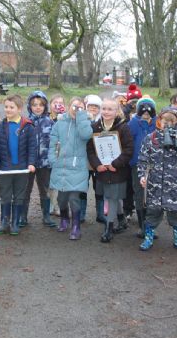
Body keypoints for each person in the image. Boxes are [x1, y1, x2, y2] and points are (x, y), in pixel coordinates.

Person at [137, 107, 177, 251]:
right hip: (155, 184)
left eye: (171, 121)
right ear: (159, 121)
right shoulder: (151, 138)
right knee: (152, 212)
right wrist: (142, 175)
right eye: (165, 121)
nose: (167, 124)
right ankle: (148, 238)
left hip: (176, 185)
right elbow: (142, 159)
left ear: (176, 123)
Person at [87, 98, 134, 243]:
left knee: (113, 196)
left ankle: (109, 227)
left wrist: (116, 164)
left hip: (117, 169)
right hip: (102, 169)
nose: (106, 112)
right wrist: (97, 165)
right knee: (110, 195)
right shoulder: (95, 127)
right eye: (104, 108)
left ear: (117, 111)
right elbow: (90, 149)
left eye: (110, 109)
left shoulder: (123, 128)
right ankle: (121, 219)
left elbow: (128, 149)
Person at [0, 94, 36, 236]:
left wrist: (31, 163)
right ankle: (4, 223)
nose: (8, 110)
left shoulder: (28, 126)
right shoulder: (1, 126)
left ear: (19, 109)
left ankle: (15, 223)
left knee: (19, 196)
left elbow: (32, 147)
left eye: (11, 107)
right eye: (6, 107)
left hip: (22, 169)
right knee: (5, 195)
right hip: (5, 168)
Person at [49, 96, 93, 240]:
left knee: (74, 198)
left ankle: (76, 226)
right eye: (74, 106)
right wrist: (53, 160)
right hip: (61, 166)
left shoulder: (86, 122)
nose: (76, 109)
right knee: (61, 198)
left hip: (77, 167)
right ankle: (64, 218)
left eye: (80, 107)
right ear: (68, 107)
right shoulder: (60, 123)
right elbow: (52, 143)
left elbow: (86, 135)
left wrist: (81, 117)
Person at [21, 91, 55, 228]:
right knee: (25, 189)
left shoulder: (50, 122)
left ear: (45, 106)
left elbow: (55, 143)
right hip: (28, 163)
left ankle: (46, 215)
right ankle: (23, 216)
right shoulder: (25, 122)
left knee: (45, 189)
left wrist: (52, 158)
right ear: (30, 106)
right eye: (34, 105)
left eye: (41, 105)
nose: (38, 107)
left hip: (44, 163)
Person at [127, 96, 157, 238]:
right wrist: (136, 118)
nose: (146, 112)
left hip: (155, 165)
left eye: (149, 110)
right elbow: (128, 138)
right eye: (142, 110)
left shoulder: (157, 123)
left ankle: (151, 226)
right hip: (138, 165)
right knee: (139, 194)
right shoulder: (134, 123)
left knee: (153, 195)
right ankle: (142, 226)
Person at [79, 94, 103, 223]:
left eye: (96, 106)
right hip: (84, 159)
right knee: (82, 187)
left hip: (98, 160)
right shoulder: (82, 120)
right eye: (91, 106)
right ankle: (81, 213)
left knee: (99, 187)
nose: (93, 108)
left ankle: (100, 213)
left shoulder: (102, 122)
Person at [48, 94, 66, 215]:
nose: (57, 105)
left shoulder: (65, 118)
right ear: (50, 105)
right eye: (55, 102)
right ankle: (50, 204)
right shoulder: (46, 118)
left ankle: (58, 205)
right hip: (48, 152)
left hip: (61, 153)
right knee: (48, 180)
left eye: (60, 103)